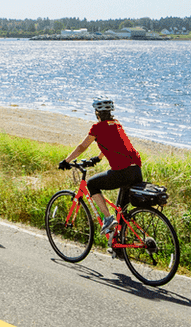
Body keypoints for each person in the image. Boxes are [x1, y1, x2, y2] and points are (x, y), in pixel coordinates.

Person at [59, 98, 146, 248]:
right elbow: (114, 144)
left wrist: (66, 161)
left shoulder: (97, 128)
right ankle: (119, 246)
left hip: (122, 171)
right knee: (122, 211)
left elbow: (82, 147)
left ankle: (107, 219)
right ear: (110, 112)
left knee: (91, 184)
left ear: (97, 113)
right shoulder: (116, 124)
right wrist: (97, 158)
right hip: (136, 170)